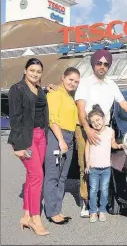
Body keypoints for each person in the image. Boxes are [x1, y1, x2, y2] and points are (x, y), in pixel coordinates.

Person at [74, 49, 127, 217]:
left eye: (106, 64)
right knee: (86, 164)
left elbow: (123, 103)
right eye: (99, 63)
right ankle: (86, 202)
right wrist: (87, 129)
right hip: (86, 127)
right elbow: (81, 108)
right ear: (93, 64)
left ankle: (101, 199)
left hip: (104, 128)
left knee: (104, 162)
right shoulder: (85, 83)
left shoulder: (112, 85)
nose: (102, 67)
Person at [7, 58, 49, 236]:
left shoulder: (40, 90)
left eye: (38, 71)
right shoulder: (17, 89)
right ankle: (34, 218)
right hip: (27, 138)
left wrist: (49, 89)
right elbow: (15, 118)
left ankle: (25, 215)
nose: (35, 74)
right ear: (25, 70)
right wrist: (17, 145)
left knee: (33, 176)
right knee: (37, 175)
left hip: (41, 136)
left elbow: (40, 109)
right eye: (32, 70)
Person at [43, 67, 80, 225]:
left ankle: (57, 209)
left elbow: (75, 120)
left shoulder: (69, 97)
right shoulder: (55, 93)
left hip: (69, 137)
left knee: (62, 177)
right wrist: (61, 140)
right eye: (71, 79)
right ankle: (52, 212)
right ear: (63, 78)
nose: (73, 83)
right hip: (58, 137)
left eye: (76, 81)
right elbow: (53, 119)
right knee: (53, 176)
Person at [85, 104, 125, 223]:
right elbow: (87, 148)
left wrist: (119, 145)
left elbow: (112, 144)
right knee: (93, 190)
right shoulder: (91, 133)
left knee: (104, 190)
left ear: (103, 118)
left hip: (106, 167)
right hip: (93, 167)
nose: (96, 123)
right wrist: (87, 163)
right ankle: (93, 211)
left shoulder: (110, 132)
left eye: (98, 120)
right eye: (93, 122)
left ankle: (101, 210)